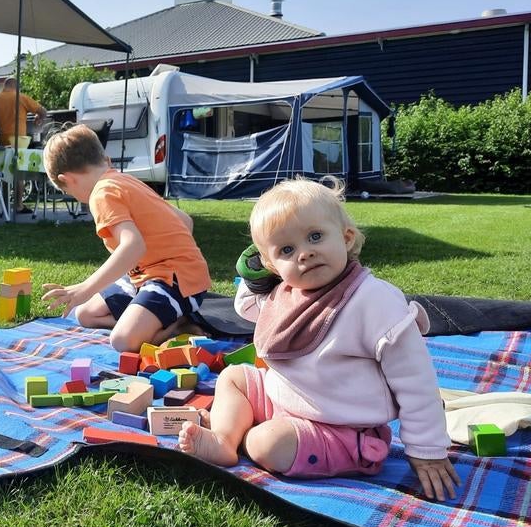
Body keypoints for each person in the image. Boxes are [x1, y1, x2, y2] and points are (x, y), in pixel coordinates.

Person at [177, 177, 461, 501]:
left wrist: (427, 448)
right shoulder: (287, 294)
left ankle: (243, 432)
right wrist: (255, 276)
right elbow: (247, 307)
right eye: (287, 250)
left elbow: (416, 380)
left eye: (315, 236)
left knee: (266, 443)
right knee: (233, 377)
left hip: (343, 430)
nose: (305, 253)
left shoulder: (373, 301)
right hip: (284, 400)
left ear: (346, 237)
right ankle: (224, 440)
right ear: (271, 265)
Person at [40, 124, 212, 353]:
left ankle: (177, 326)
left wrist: (84, 288)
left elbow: (133, 246)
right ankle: (156, 320)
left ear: (68, 179)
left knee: (122, 341)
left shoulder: (102, 194)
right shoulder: (124, 180)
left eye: (67, 192)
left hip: (176, 282)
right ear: (105, 160)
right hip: (159, 275)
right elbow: (185, 221)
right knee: (85, 314)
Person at [0, 78, 48, 213]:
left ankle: (4, 205)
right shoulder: (21, 97)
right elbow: (43, 111)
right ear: (16, 87)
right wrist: (38, 118)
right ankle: (18, 205)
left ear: (5, 86)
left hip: (1, 141)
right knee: (18, 173)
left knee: (3, 171)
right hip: (19, 140)